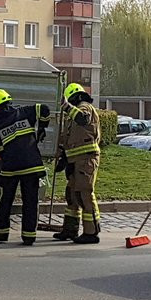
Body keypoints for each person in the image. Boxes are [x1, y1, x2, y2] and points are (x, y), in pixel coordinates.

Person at [0, 89, 51, 246]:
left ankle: (0, 234)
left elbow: (0, 153)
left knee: (4, 201)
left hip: (10, 169)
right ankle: (29, 236)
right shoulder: (24, 112)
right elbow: (44, 109)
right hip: (32, 167)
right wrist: (42, 127)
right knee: (30, 201)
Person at [53, 83, 102, 244]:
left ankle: (91, 232)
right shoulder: (71, 116)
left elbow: (83, 119)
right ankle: (70, 230)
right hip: (75, 161)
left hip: (86, 159)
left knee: (84, 194)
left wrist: (66, 106)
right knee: (72, 195)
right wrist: (62, 159)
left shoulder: (85, 107)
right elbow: (67, 139)